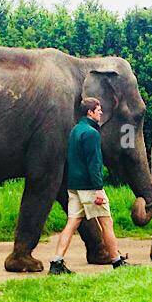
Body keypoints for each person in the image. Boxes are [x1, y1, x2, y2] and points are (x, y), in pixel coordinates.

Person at [50, 97, 134, 275]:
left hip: (74, 186)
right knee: (107, 222)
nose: (101, 112)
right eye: (98, 109)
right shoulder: (91, 133)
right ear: (90, 112)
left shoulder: (75, 131)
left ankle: (56, 262)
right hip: (89, 187)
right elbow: (94, 164)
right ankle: (117, 261)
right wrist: (98, 190)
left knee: (71, 223)